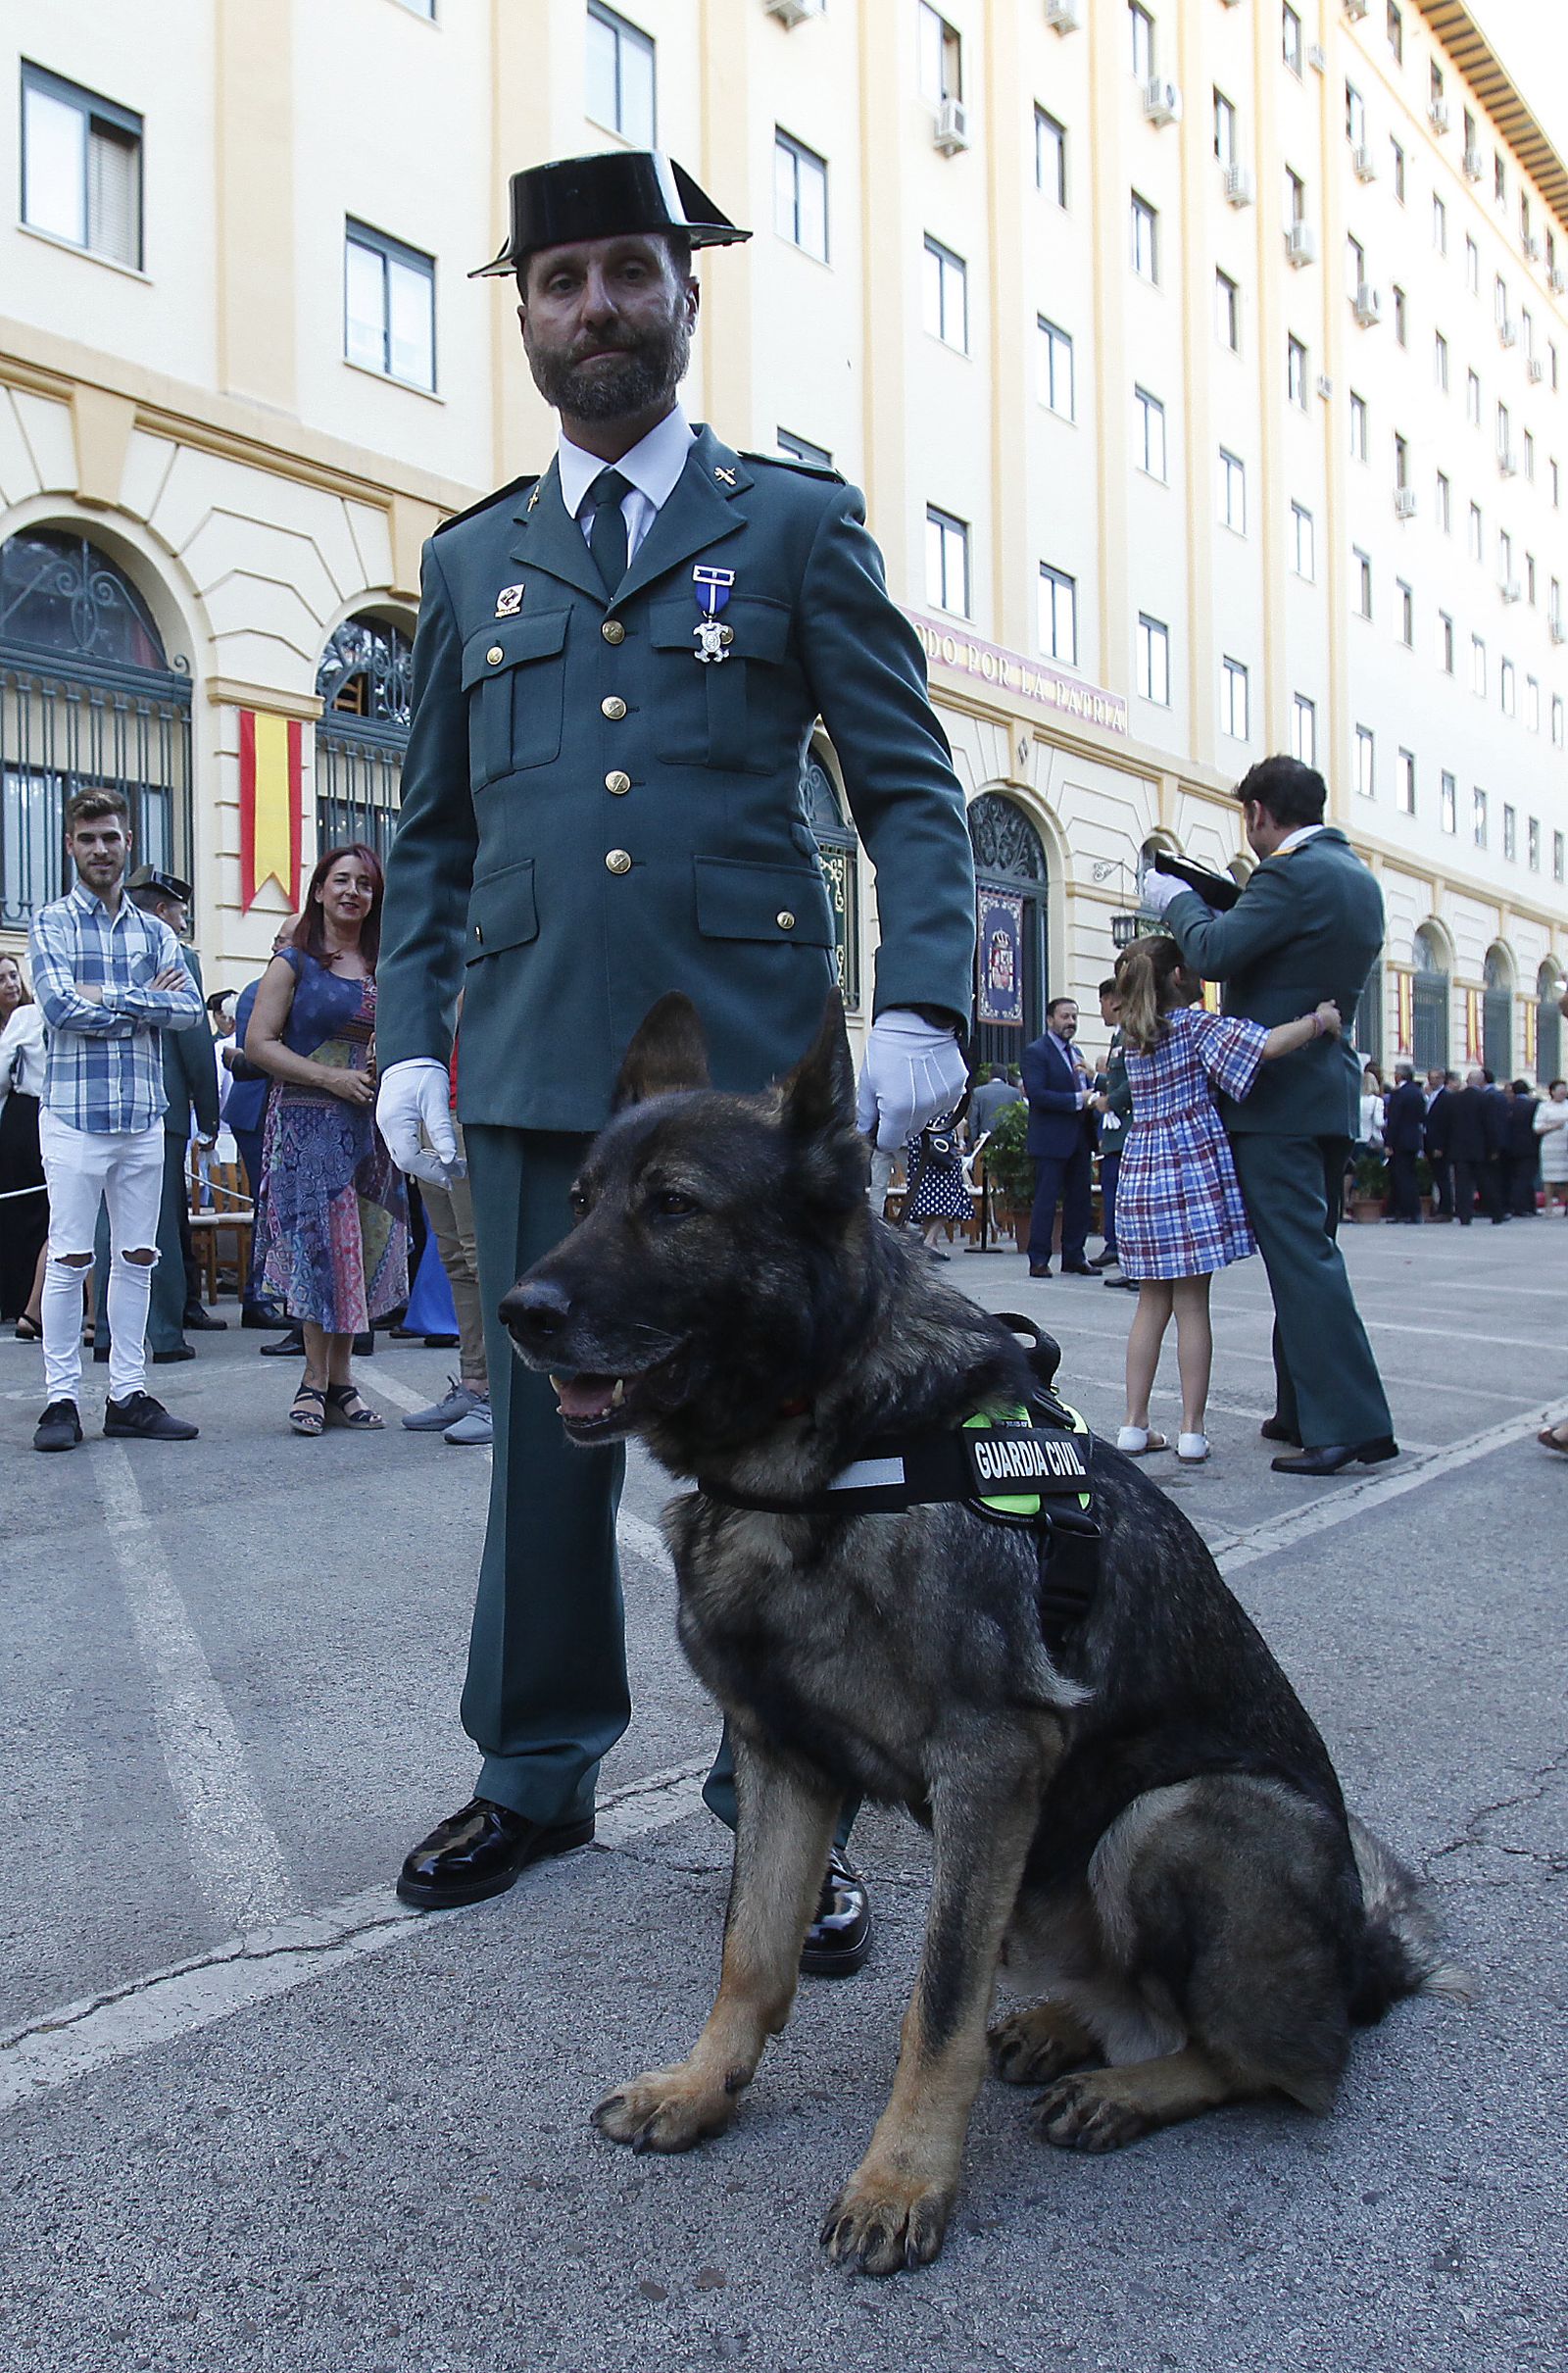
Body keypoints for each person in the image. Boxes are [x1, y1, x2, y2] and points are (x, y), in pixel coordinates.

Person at [371, 150, 976, 1951]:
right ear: (528, 317)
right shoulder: (474, 555)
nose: (598, 310)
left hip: (749, 1095)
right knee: (546, 1451)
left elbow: (910, 789)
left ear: (687, 298)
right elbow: (431, 836)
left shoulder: (792, 524)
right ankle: (535, 1768)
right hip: (543, 1058)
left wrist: (926, 1002)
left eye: (630, 273)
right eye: (560, 285)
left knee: (792, 1451)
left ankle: (788, 1794)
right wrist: (413, 1035)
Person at [1140, 754, 1396, 1478]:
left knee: (1302, 1261)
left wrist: (1176, 899)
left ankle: (1348, 1425)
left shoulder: (1290, 873)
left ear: (1258, 811)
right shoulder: (1359, 880)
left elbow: (1215, 952)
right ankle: (1302, 1408)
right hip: (1327, 1093)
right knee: (1306, 1253)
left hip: (1277, 1098)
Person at [1111, 934, 1345, 1465]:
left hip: (1143, 1172)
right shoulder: (1195, 1027)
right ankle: (1191, 1429)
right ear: (1177, 977)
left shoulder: (1133, 1037)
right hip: (1189, 1169)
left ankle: (1133, 1423)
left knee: (1150, 1305)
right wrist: (1318, 1021)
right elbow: (1265, 1045)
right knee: (1193, 1305)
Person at [25, 787, 204, 1451]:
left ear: (129, 843)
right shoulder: (50, 924)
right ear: (71, 845)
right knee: (71, 1258)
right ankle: (60, 1399)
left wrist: (107, 995)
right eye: (87, 837)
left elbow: (187, 1012)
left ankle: (127, 1392)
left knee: (136, 1256)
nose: (100, 848)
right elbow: (59, 1007)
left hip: (141, 1120)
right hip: (73, 1118)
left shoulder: (157, 931)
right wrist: (141, 1002)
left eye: (111, 836)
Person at [246, 844, 409, 1436]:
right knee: (319, 1252)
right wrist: (330, 1077)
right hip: (307, 1124)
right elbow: (260, 1043)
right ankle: (314, 1380)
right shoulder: (294, 961)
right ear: (319, 891)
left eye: (364, 885)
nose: (352, 892)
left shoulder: (386, 964)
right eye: (341, 881)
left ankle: (341, 1380)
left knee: (357, 1253)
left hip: (369, 1127)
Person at [91, 866, 224, 1367]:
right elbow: (193, 1042)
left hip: (100, 1102)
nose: (184, 923)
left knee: (108, 1224)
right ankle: (165, 1333)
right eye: (181, 914)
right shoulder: (177, 957)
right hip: (157, 1106)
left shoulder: (100, 949)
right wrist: (208, 1114)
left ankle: (106, 1332)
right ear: (164, 912)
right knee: (158, 1222)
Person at [401, 1027, 492, 1445]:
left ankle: (503, 1394)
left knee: (483, 1259)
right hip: (428, 1114)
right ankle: (475, 1383)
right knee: (455, 1258)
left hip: (471, 1111)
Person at [225, 922, 298, 1334]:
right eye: (291, 939)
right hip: (257, 1113)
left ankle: (271, 1295)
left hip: (282, 1112)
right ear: (276, 946)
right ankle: (259, 1297)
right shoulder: (260, 988)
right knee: (268, 1207)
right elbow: (258, 1055)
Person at [1020, 996, 1096, 1279]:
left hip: (1079, 1137)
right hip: (1051, 1139)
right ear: (1051, 1020)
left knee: (1080, 1199)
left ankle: (1075, 1255)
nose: (1071, 1022)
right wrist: (1078, 1099)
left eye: (1074, 1017)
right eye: (1065, 1017)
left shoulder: (1076, 1053)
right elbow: (1037, 1094)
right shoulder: (1036, 1052)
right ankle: (1038, 1259)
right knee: (1046, 1201)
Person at [0, 952, 48, 1336]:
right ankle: (24, 1302)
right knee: (29, 1210)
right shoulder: (28, 1018)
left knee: (45, 1212)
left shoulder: (28, 1014)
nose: (11, 985)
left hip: (37, 1111)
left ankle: (32, 1303)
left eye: (14, 976)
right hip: (29, 1114)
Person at [1088, 975, 1129, 1277]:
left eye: (1101, 1002)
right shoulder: (1118, 1036)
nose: (1100, 1008)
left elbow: (1132, 1082)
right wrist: (1096, 1079)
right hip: (1116, 1135)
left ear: (1112, 1000)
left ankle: (1126, 1256)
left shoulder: (1129, 1034)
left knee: (1124, 1199)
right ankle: (1118, 1250)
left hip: (1125, 1130)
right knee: (1114, 1195)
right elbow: (1118, 1076)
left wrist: (1108, 1101)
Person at [900, 1098, 970, 1259]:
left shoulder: (921, 1092)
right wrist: (960, 1141)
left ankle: (932, 1241)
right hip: (942, 1146)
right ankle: (930, 1240)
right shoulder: (950, 1089)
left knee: (924, 1196)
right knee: (948, 1196)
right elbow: (958, 1118)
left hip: (921, 1144)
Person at [1447, 1066, 1505, 1224]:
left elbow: (1448, 1124)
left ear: (1467, 1081)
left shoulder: (1454, 1098)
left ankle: (1464, 1216)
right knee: (1486, 1182)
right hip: (1481, 1148)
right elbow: (1491, 1125)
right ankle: (1496, 1213)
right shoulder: (1486, 1099)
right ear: (1481, 1082)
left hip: (1459, 1148)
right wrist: (1494, 1147)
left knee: (1462, 1184)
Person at [1382, 1062, 1426, 1224]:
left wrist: (1389, 1143)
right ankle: (1411, 1211)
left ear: (1399, 1075)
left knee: (1401, 1177)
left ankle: (1407, 1211)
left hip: (1400, 1140)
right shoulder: (1417, 1092)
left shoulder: (1399, 1093)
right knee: (1409, 1175)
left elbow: (1394, 1119)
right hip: (1413, 1139)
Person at [1503, 1079, 1541, 1216]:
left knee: (1515, 1177)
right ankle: (1521, 1207)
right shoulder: (1533, 1105)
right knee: (1525, 1178)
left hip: (1510, 1147)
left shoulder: (1508, 1106)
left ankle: (1527, 1206)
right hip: (1529, 1148)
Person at [1424, 1068, 1456, 1220]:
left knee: (1443, 1178)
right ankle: (1441, 1208)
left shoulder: (1447, 1098)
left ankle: (1446, 1209)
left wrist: (1440, 1146)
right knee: (1437, 1177)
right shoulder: (1431, 1096)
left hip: (1439, 1146)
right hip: (1429, 1143)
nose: (1432, 1081)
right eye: (1430, 1078)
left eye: (1436, 1078)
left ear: (1443, 1079)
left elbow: (1445, 1124)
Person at [1534, 1078, 1568, 1213]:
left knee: (1566, 1177)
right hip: (1550, 1146)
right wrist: (1554, 1126)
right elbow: (1537, 1128)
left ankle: (1565, 1205)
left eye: (1564, 1090)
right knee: (1549, 1178)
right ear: (1552, 1092)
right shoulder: (1544, 1107)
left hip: (1565, 1145)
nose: (1563, 1092)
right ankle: (1549, 1206)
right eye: (1560, 1090)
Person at [967, 1063, 1023, 1136]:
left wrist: (973, 1142)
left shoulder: (977, 1092)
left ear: (989, 1075)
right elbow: (1020, 1118)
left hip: (985, 1139)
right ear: (1005, 1076)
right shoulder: (1016, 1093)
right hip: (1009, 1139)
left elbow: (973, 1121)